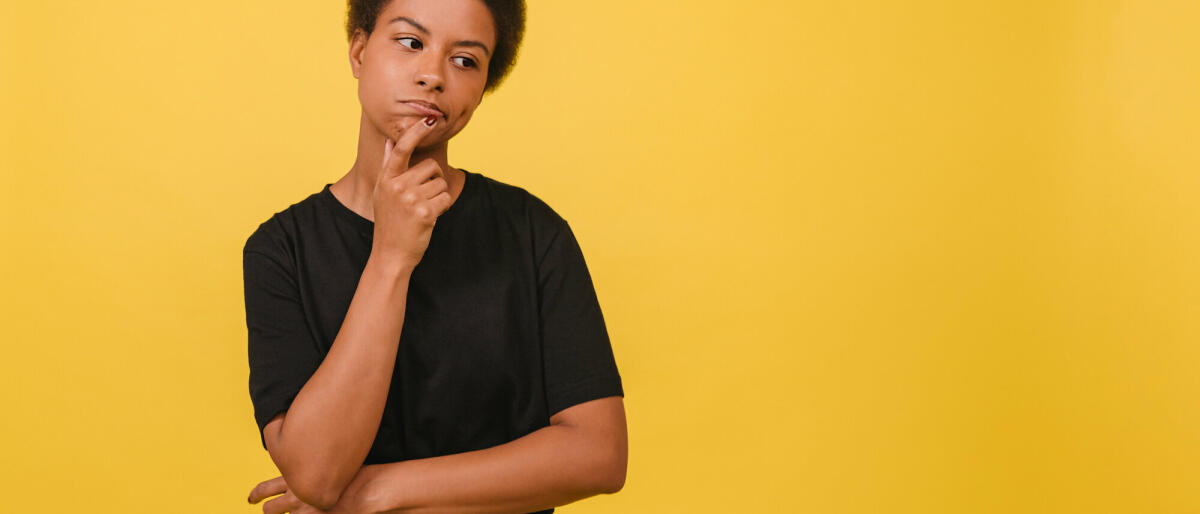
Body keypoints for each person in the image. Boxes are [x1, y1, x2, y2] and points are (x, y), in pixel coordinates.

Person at [241, 0, 627, 512]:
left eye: (465, 60)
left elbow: (598, 454)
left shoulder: (533, 232)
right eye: (410, 42)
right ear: (359, 51)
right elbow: (314, 471)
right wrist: (391, 256)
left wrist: (370, 495)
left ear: (484, 86)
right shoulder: (279, 250)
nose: (433, 76)